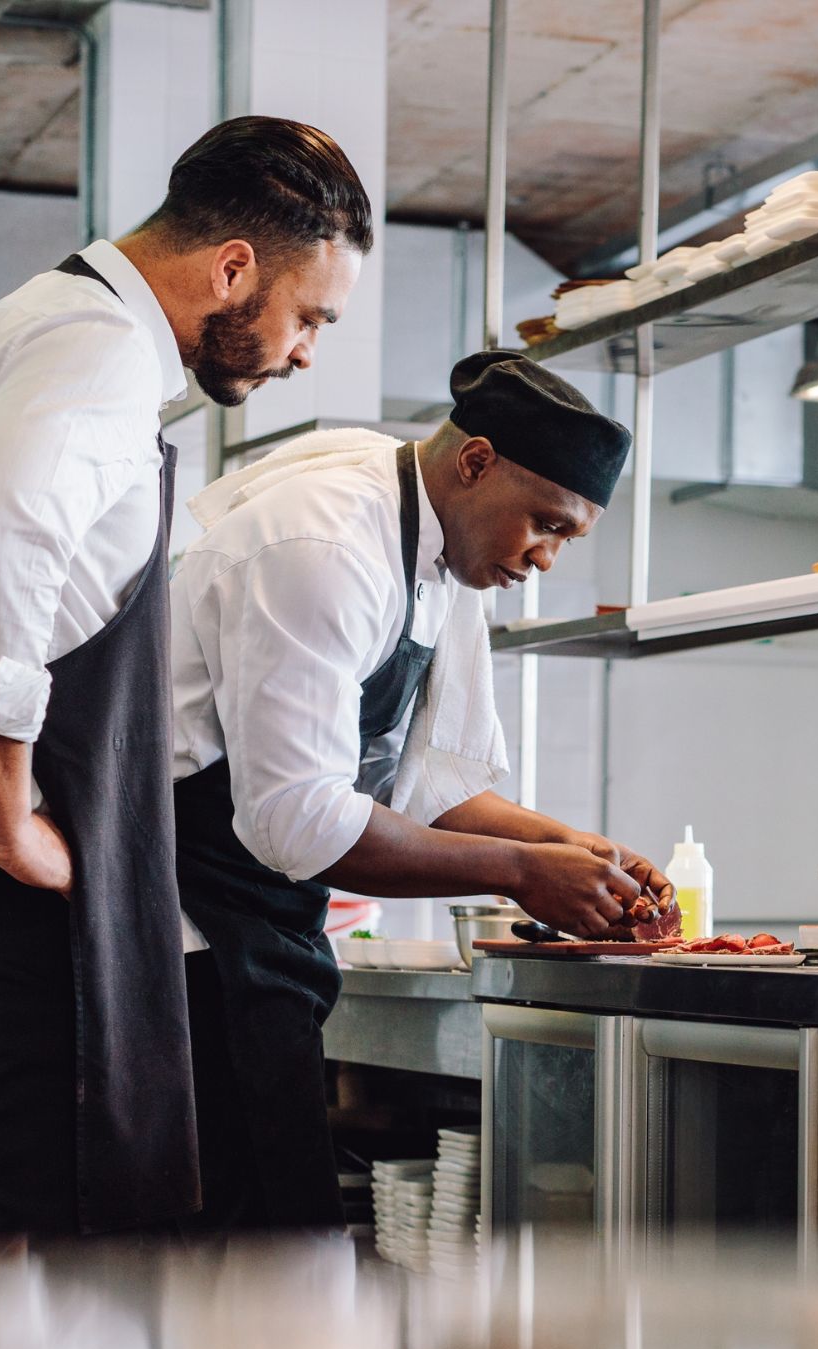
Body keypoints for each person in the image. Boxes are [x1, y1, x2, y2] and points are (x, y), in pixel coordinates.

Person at [0, 116, 372, 1254]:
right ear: (231, 266)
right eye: (310, 316)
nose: (304, 352)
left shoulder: (20, 326)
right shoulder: (96, 348)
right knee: (56, 1275)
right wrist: (4, 819)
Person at [170, 350, 667, 1229]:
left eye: (568, 538)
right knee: (247, 1248)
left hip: (267, 927)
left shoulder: (448, 556)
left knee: (284, 1240)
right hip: (185, 931)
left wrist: (570, 850)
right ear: (475, 463)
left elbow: (430, 785)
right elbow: (300, 820)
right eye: (544, 524)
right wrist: (520, 872)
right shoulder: (325, 543)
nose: (545, 558)